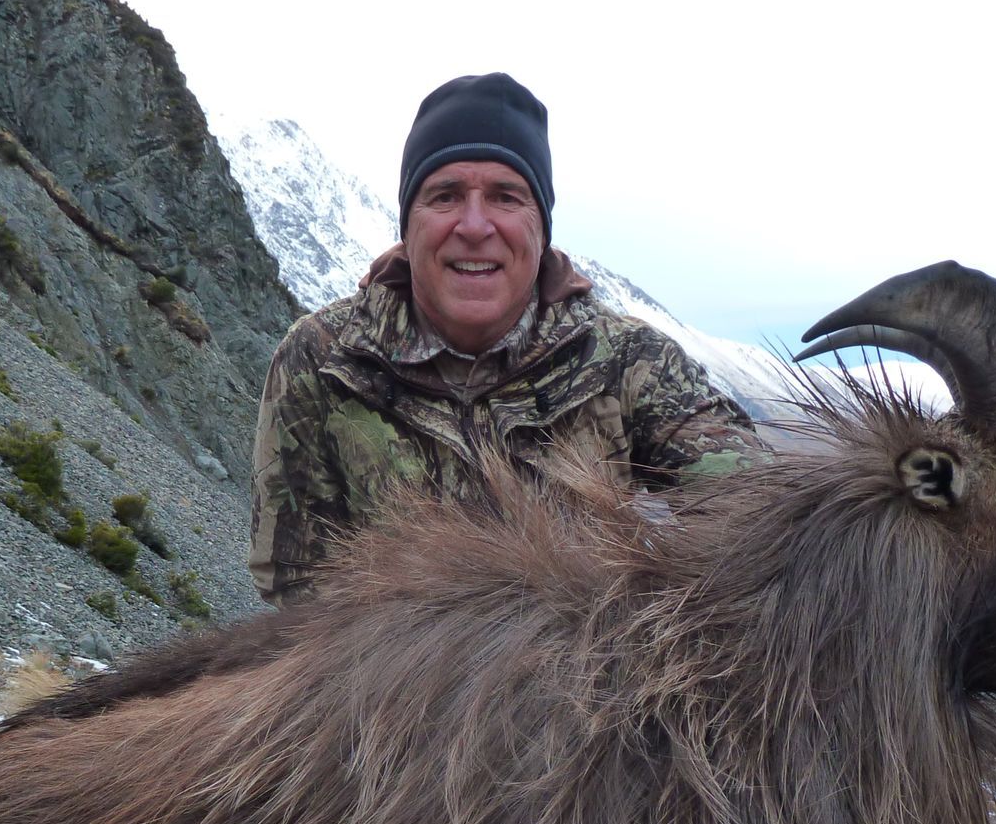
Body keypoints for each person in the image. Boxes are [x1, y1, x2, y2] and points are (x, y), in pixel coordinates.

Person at [249, 72, 762, 606]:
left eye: (506, 197)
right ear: (408, 225)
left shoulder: (630, 360)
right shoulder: (323, 358)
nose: (474, 225)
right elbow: (294, 585)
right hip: (380, 680)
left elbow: (755, 509)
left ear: (541, 226)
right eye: (444, 196)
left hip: (589, 677)